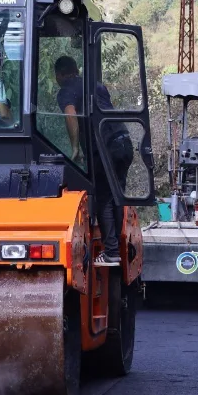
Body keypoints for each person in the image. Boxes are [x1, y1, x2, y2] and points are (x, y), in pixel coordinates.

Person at [54, 56, 133, 265]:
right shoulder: (96, 85)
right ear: (76, 69)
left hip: (106, 147)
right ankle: (115, 247)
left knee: (104, 197)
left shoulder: (66, 90)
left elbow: (70, 115)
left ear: (60, 75)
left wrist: (75, 147)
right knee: (117, 196)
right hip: (124, 142)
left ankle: (111, 252)